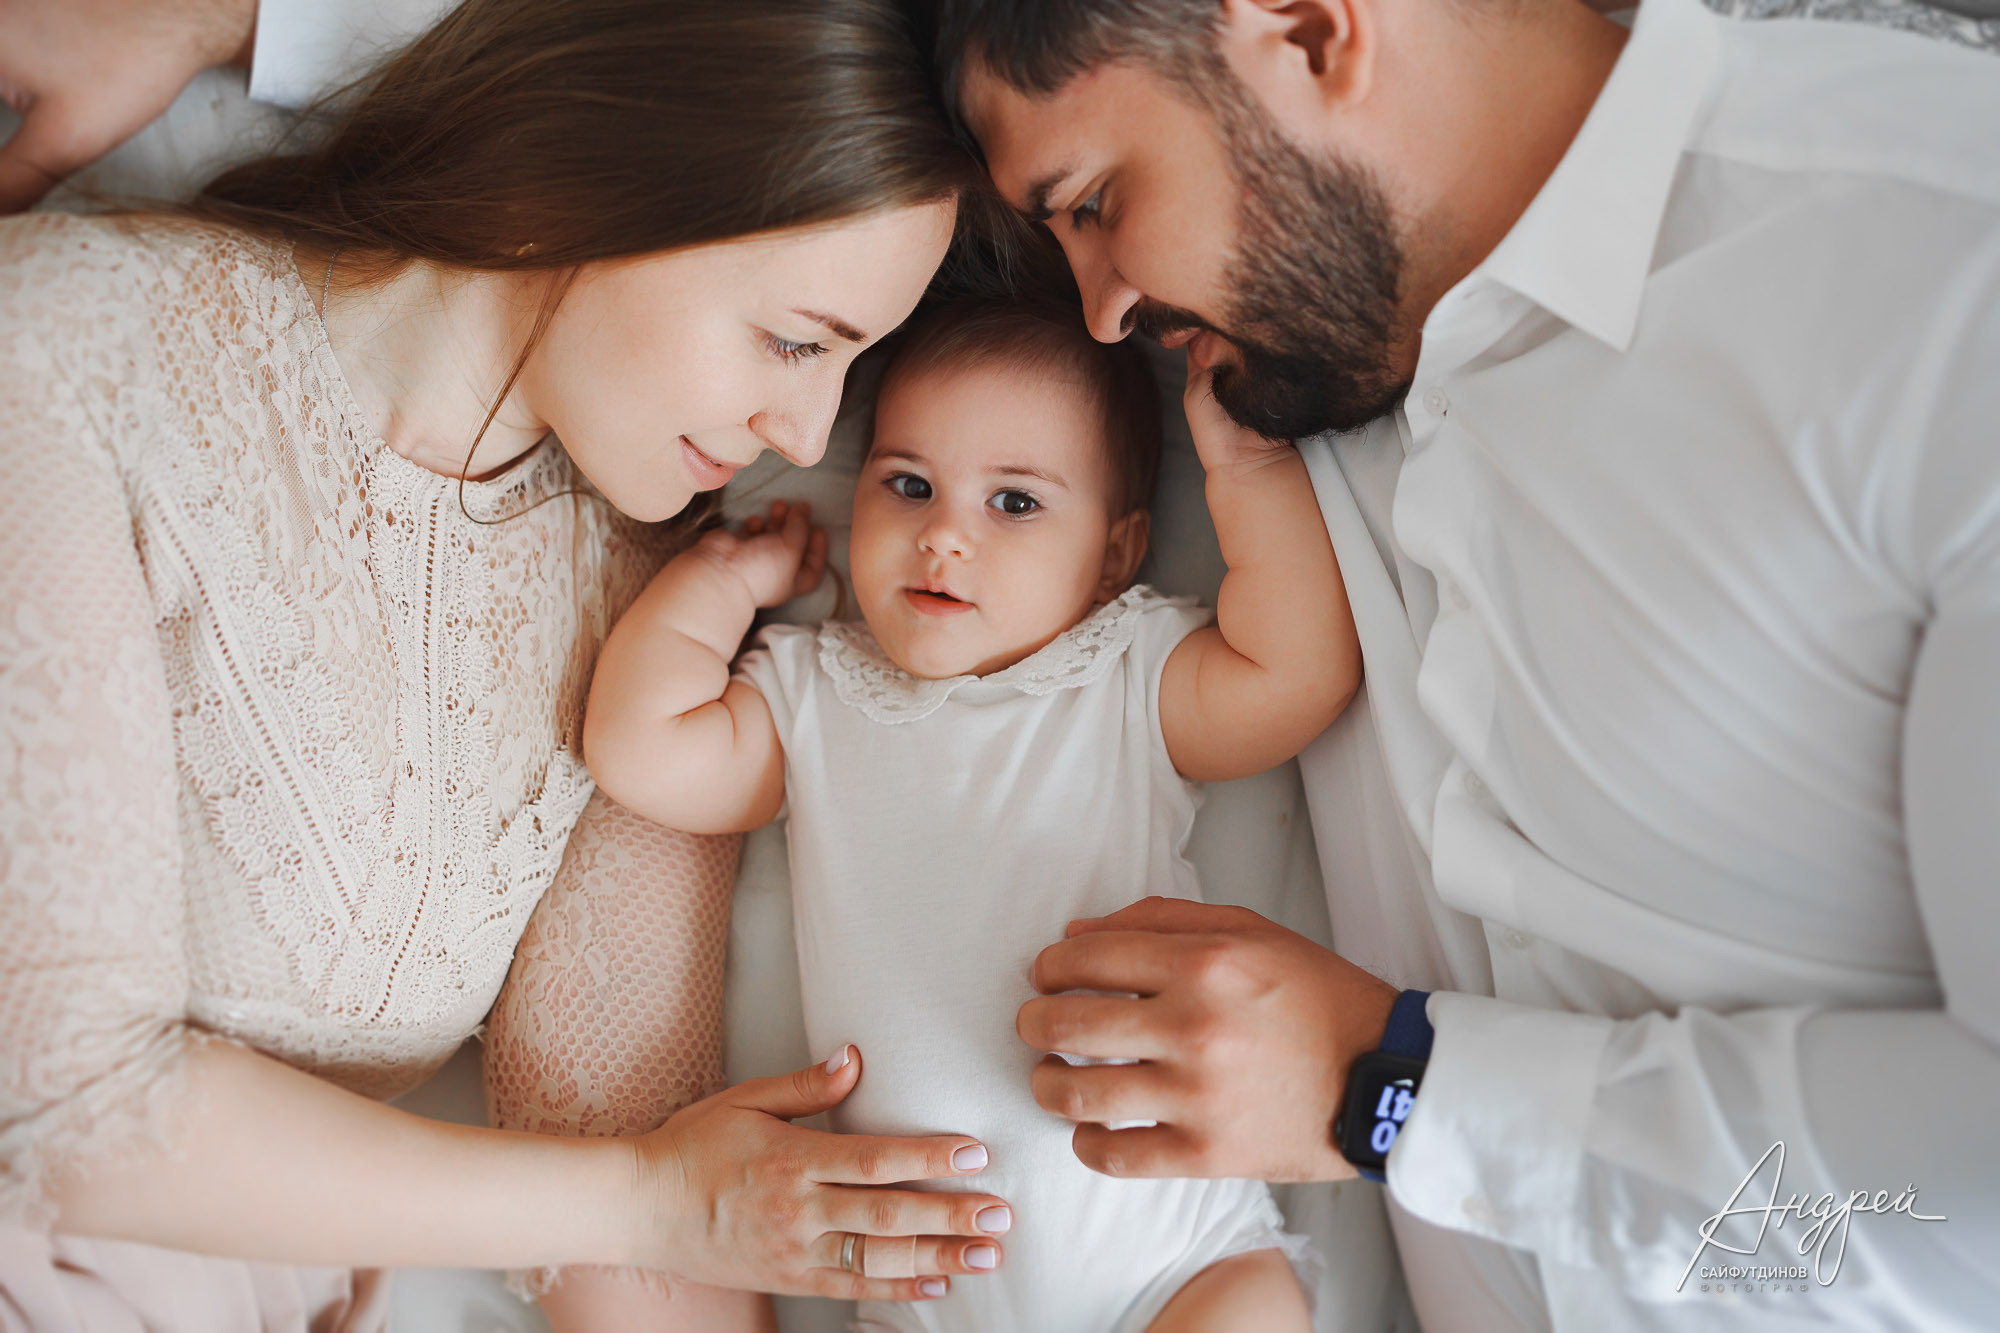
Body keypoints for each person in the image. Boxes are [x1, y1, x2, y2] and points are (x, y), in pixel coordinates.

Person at [933, 0, 2000, 1328]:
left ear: (1313, 32)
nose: (1102, 315)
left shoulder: (1949, 281)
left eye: (1095, 203)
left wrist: (1397, 1087)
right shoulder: (1290, 363)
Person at [0, 1, 1024, 1329]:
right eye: (793, 340)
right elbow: (69, 1106)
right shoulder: (72, 349)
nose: (808, 428)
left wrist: (682, 1206)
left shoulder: (660, 606)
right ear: (588, 185)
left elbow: (617, 1142)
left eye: (852, 364)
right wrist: (658, 1200)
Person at [584, 297, 1358, 1331]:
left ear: (1115, 556)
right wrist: (727, 575)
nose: (943, 533)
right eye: (908, 485)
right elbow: (643, 747)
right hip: (925, 1291)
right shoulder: (812, 692)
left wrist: (1250, 473)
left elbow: (1297, 674)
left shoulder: (1120, 672)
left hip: (1171, 1260)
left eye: (1016, 504)